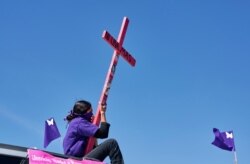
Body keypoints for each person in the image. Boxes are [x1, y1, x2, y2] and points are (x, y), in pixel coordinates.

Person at [63, 100, 124, 164]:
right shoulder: (79, 122)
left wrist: (93, 126)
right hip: (77, 161)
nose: (92, 114)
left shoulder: (78, 123)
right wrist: (102, 113)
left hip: (81, 159)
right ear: (85, 112)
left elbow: (94, 145)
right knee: (111, 143)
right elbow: (103, 133)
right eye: (91, 111)